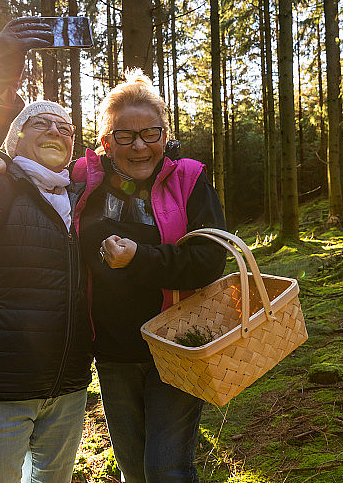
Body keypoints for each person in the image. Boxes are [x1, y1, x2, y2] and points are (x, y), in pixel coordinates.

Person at [0, 16, 92, 483]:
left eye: (65, 126)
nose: (56, 130)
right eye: (39, 122)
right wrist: (5, 67)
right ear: (14, 137)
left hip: (67, 390)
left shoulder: (83, 196)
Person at [71, 69, 227, 483]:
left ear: (164, 135)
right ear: (106, 142)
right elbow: (36, 182)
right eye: (125, 136)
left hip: (177, 343)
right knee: (134, 473)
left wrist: (139, 258)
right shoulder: (83, 182)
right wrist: (10, 170)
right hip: (112, 350)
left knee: (167, 471)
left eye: (150, 133)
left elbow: (209, 260)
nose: (139, 146)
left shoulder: (189, 179)